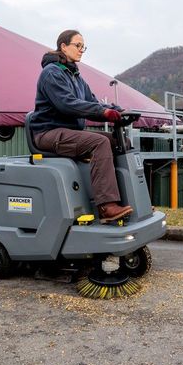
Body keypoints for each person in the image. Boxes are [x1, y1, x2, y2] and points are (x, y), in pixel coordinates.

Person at [28, 30, 133, 223]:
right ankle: (106, 207)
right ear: (63, 46)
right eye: (78, 45)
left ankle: (131, 199)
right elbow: (67, 104)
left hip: (69, 132)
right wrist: (103, 114)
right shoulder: (51, 73)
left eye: (83, 47)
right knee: (99, 143)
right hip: (49, 132)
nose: (81, 50)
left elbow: (93, 102)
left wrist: (116, 110)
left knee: (121, 141)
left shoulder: (75, 75)